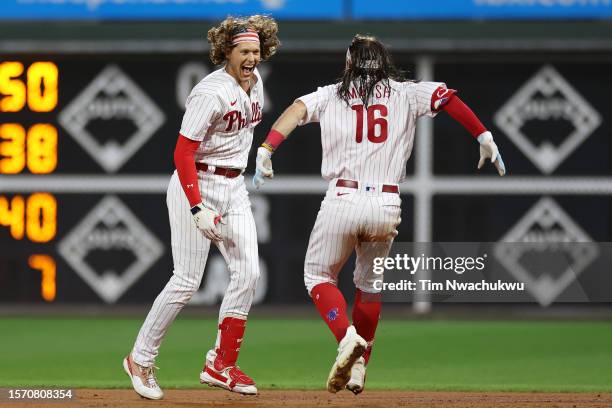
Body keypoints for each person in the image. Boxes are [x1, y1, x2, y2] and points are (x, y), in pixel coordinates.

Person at [252, 34, 505, 394]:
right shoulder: (406, 92)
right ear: (383, 62)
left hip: (343, 197)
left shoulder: (330, 93)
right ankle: (359, 369)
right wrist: (483, 135)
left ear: (349, 63)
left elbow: (295, 110)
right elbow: (447, 99)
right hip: (386, 204)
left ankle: (346, 339)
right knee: (369, 286)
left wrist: (267, 148)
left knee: (318, 275)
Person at [122, 15, 280, 399]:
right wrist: (197, 207)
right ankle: (139, 359)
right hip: (197, 184)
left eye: (256, 51)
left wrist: (259, 155)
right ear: (227, 51)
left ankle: (221, 364)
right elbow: (183, 152)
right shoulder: (210, 92)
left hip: (234, 186)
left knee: (247, 273)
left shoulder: (256, 83)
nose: (251, 58)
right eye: (244, 51)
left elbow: (242, 132)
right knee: (187, 281)